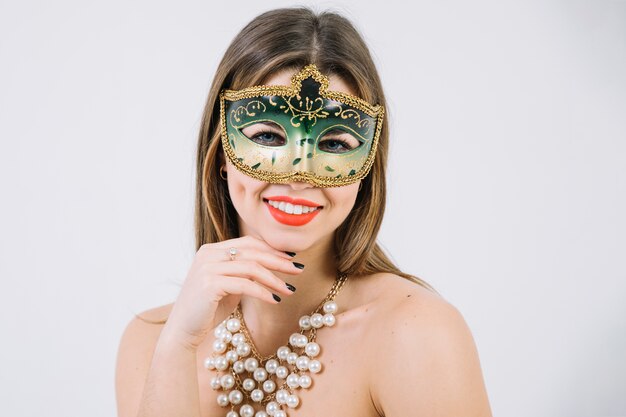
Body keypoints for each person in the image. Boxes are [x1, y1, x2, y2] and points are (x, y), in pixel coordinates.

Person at [115, 6, 493, 417]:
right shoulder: (151, 342)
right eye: (268, 135)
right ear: (222, 151)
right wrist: (179, 347)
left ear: (366, 169)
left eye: (334, 143)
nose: (299, 174)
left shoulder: (415, 335)